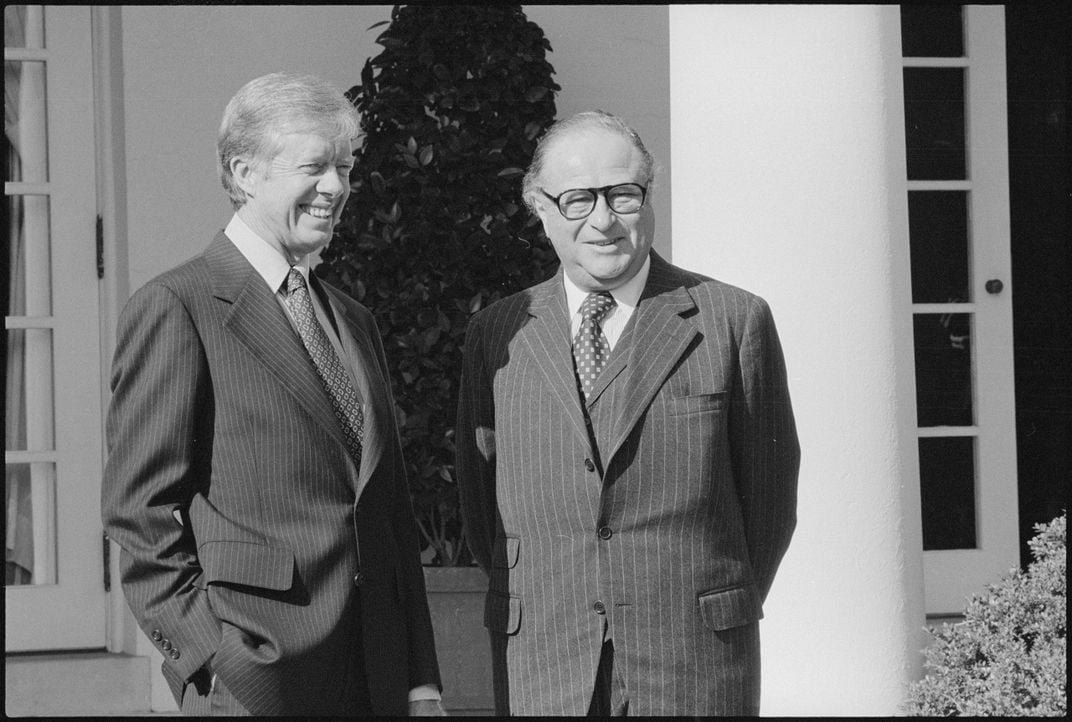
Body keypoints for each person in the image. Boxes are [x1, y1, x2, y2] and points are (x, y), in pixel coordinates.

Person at [101, 72, 444, 716]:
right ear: (245, 171)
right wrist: (211, 658)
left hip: (376, 673)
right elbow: (138, 512)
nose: (337, 187)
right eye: (314, 166)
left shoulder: (351, 319)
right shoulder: (178, 305)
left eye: (344, 166)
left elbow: (389, 511)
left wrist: (420, 677)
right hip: (258, 679)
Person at [456, 110, 800, 716]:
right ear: (540, 208)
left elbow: (769, 502)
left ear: (649, 196)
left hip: (693, 659)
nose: (604, 220)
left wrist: (704, 600)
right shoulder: (497, 334)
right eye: (578, 200)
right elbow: (481, 503)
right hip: (544, 657)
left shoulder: (732, 320)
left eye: (623, 195)